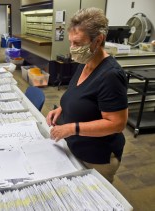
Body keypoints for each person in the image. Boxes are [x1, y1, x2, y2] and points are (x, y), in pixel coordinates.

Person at [46, 7, 128, 183]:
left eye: (78, 43)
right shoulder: (85, 62)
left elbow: (116, 123)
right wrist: (62, 109)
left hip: (96, 156)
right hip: (76, 147)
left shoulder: (110, 75)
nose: (72, 48)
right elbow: (82, 96)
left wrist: (71, 128)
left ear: (98, 41)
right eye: (71, 42)